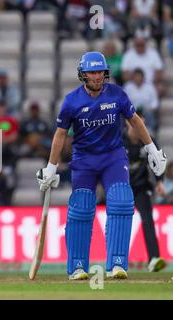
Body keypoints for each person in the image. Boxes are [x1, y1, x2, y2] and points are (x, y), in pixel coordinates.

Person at [37, 52, 167, 280]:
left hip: (113, 157)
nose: (97, 76)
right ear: (83, 74)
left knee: (122, 201)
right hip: (84, 160)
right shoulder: (71, 101)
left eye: (100, 72)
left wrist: (152, 149)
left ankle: (117, 264)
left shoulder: (117, 94)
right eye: (92, 72)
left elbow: (135, 120)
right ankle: (77, 266)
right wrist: (51, 167)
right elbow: (60, 135)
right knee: (81, 208)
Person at [123, 111, 167, 272]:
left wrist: (160, 182)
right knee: (120, 222)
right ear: (127, 122)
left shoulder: (147, 140)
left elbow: (157, 161)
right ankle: (117, 260)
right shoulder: (119, 140)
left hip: (142, 186)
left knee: (148, 221)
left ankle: (154, 259)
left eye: (140, 120)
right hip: (123, 187)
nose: (137, 124)